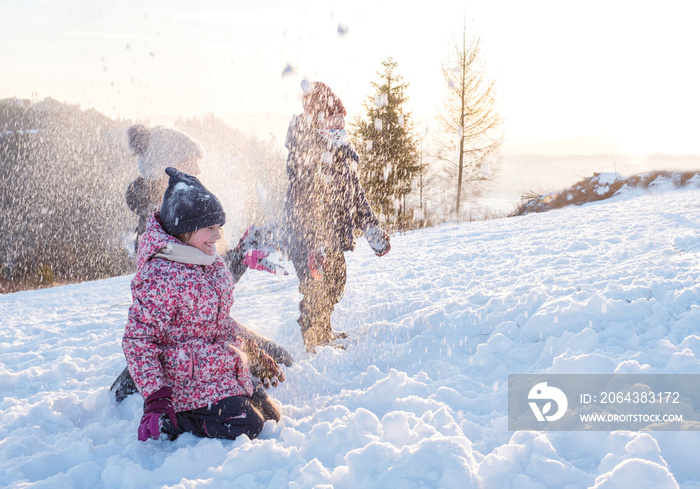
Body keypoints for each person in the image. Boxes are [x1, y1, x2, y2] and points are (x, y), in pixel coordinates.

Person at [112, 125, 293, 403]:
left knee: (276, 355)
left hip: (203, 322)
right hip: (182, 339)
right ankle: (136, 384)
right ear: (166, 170)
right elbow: (188, 287)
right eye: (190, 166)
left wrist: (240, 255)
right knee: (265, 360)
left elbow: (204, 276)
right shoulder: (161, 225)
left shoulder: (180, 209)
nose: (198, 174)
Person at [123, 167, 285, 441]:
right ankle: (177, 421)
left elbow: (219, 323)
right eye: (209, 228)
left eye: (218, 228)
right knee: (249, 426)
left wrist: (252, 353)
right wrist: (156, 397)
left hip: (215, 369)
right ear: (184, 231)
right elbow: (138, 340)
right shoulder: (161, 276)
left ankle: (222, 398)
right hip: (183, 384)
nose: (218, 236)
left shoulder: (208, 263)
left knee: (271, 417)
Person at [284, 81, 391, 352]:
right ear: (317, 122)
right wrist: (314, 243)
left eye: (342, 122)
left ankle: (323, 329)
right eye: (334, 122)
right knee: (316, 285)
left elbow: (355, 193)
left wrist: (370, 227)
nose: (340, 127)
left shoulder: (342, 150)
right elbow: (306, 201)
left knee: (336, 278)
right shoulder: (306, 154)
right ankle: (315, 339)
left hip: (331, 233)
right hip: (307, 235)